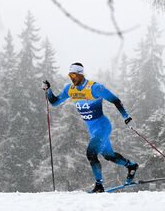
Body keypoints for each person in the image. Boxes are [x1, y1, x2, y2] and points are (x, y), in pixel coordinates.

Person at [42, 62, 138, 193]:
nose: (72, 78)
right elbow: (54, 102)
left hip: (103, 126)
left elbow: (115, 100)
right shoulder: (70, 89)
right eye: (70, 75)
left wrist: (127, 117)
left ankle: (99, 186)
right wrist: (48, 90)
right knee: (108, 155)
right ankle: (131, 165)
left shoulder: (95, 87)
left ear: (81, 74)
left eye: (74, 75)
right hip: (93, 130)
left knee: (91, 154)